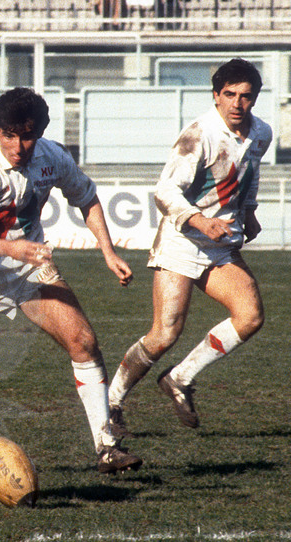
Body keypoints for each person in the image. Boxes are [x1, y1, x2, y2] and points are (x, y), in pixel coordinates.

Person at [0, 87, 143, 474]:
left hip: (28, 269)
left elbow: (86, 197)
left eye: (27, 136)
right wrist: (9, 249)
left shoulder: (51, 157)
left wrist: (108, 251)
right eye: (8, 135)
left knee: (83, 342)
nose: (18, 146)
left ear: (41, 133)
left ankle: (106, 445)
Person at [107, 59, 272, 436]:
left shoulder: (261, 133)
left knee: (249, 316)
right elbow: (164, 192)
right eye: (228, 94)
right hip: (182, 241)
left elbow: (251, 172)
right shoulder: (198, 134)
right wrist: (201, 221)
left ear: (255, 99)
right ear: (215, 95)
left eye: (245, 96)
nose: (236, 103)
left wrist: (249, 212)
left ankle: (180, 378)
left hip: (219, 244)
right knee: (165, 334)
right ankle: (112, 400)